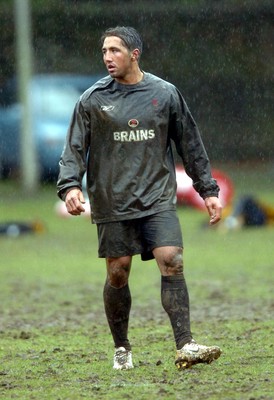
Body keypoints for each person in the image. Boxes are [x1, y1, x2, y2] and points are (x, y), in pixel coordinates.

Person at [57, 26, 223, 370]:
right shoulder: (92, 99)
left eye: (115, 51)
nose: (107, 57)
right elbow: (74, 147)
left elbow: (190, 144)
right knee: (118, 272)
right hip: (111, 199)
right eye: (104, 51)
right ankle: (122, 348)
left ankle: (186, 344)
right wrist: (70, 185)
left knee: (172, 259)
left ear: (135, 54)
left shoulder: (165, 94)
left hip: (157, 197)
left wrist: (207, 190)